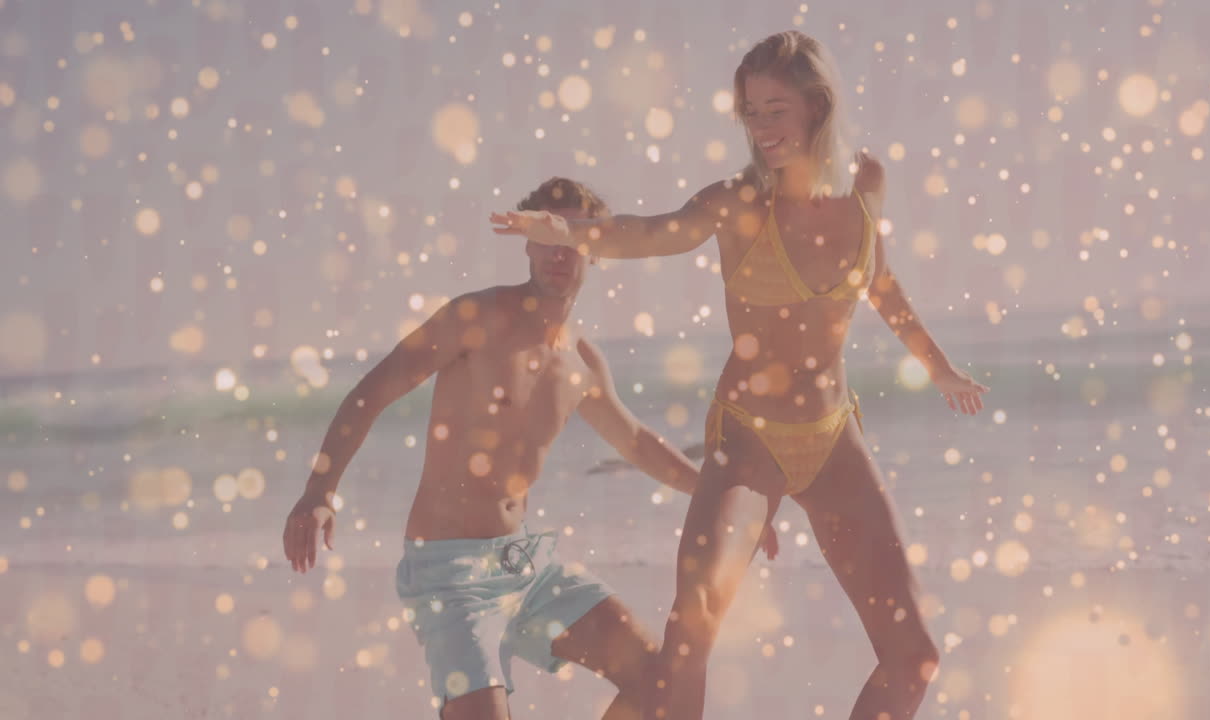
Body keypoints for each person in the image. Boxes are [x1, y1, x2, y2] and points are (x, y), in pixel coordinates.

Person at [491, 31, 989, 720]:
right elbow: (652, 232)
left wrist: (940, 368)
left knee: (915, 657)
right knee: (691, 624)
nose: (760, 128)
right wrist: (566, 230)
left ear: (817, 106)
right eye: (750, 111)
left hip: (832, 435)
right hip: (749, 437)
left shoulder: (866, 183)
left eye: (774, 109)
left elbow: (882, 284)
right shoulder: (739, 203)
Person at [284, 177, 778, 720]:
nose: (559, 251)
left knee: (660, 683)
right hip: (449, 574)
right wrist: (319, 490)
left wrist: (726, 499)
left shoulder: (583, 362)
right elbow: (371, 391)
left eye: (572, 235)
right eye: (546, 234)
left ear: (597, 246)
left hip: (528, 566)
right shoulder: (475, 319)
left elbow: (637, 442)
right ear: (525, 242)